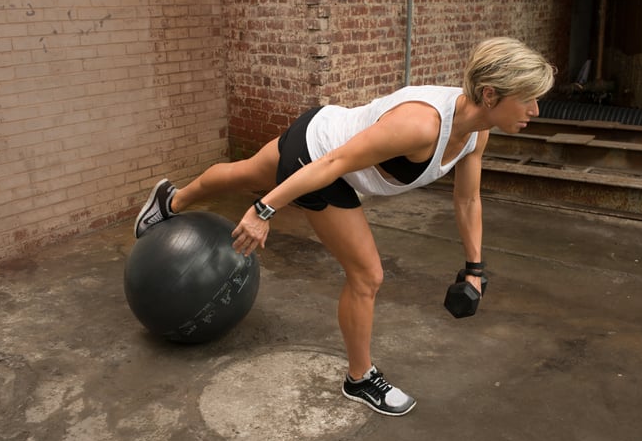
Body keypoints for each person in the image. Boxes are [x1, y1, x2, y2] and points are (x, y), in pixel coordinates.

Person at [134, 37, 555, 416]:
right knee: (367, 275)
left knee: (244, 171)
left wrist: (475, 269)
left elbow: (468, 199)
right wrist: (263, 211)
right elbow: (332, 164)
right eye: (529, 100)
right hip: (318, 156)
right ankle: (360, 378)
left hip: (322, 129)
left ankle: (170, 200)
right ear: (489, 94)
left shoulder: (476, 133)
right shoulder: (421, 126)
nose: (535, 111)